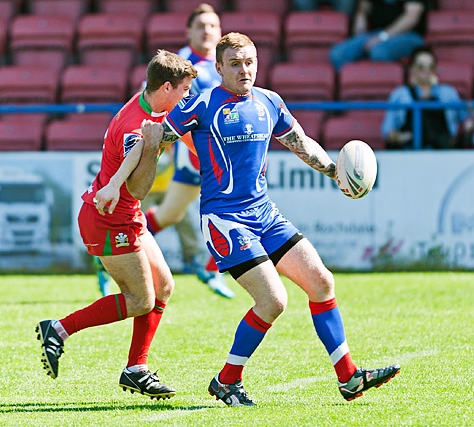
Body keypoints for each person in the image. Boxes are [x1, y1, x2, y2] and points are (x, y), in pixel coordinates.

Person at [147, 32, 400, 406]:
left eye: (249, 61)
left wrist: (334, 171)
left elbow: (300, 141)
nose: (244, 69)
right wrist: (119, 182)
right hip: (224, 220)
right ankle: (227, 380)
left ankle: (349, 377)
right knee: (273, 301)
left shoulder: (269, 101)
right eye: (234, 63)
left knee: (321, 282)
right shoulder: (201, 104)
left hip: (265, 215)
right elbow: (155, 138)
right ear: (218, 68)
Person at [36, 50, 198, 400]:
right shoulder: (134, 129)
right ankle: (59, 329)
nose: (187, 96)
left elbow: (174, 125)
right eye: (184, 90)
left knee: (164, 287)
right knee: (141, 300)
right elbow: (139, 187)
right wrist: (153, 148)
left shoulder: (149, 102)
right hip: (108, 220)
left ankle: (136, 369)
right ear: (166, 87)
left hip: (125, 214)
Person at [143, 2, 234, 298]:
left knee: (169, 214)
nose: (207, 31)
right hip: (196, 154)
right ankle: (117, 242)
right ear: (189, 32)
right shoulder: (180, 64)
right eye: (201, 26)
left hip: (222, 153)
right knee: (235, 208)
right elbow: (163, 106)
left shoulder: (226, 64)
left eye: (212, 26)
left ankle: (123, 238)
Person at [382, 45, 465, 150]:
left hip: (444, 154)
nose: (426, 71)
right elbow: (387, 130)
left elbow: (465, 120)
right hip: (409, 153)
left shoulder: (449, 93)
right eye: (421, 67)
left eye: (430, 67)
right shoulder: (400, 94)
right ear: (413, 69)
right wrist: (399, 137)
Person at [329, 0, 426, 71]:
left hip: (409, 35)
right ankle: (356, 87)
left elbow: (412, 17)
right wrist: (361, 16)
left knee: (378, 52)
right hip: (377, 33)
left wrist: (383, 36)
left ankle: (387, 93)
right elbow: (364, 6)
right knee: (338, 54)